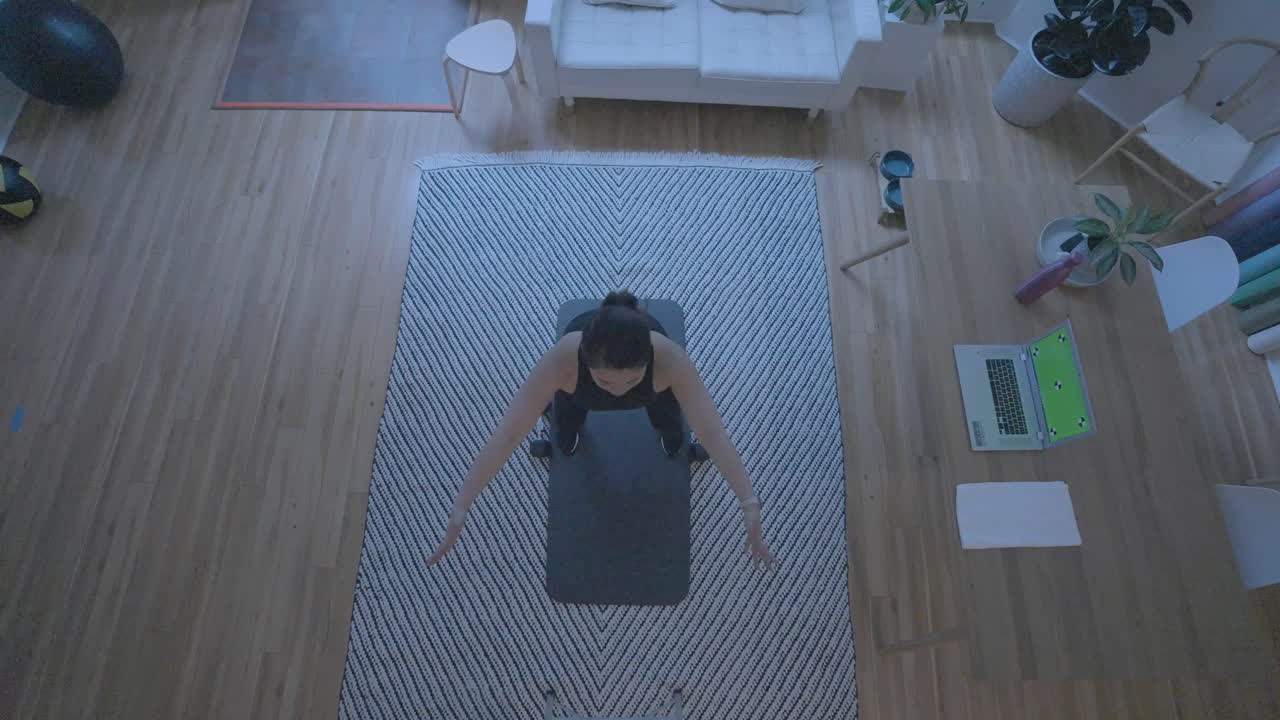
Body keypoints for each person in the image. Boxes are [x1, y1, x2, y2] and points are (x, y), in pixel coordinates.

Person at [427, 291, 775, 567]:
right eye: (607, 379)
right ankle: (571, 429)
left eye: (631, 379)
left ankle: (668, 437)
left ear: (648, 360)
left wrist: (748, 502)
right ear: (586, 360)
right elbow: (508, 435)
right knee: (565, 426)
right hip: (577, 389)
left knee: (671, 423)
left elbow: (713, 432)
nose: (619, 389)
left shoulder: (669, 360)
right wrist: (461, 505)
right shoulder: (563, 360)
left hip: (654, 388)